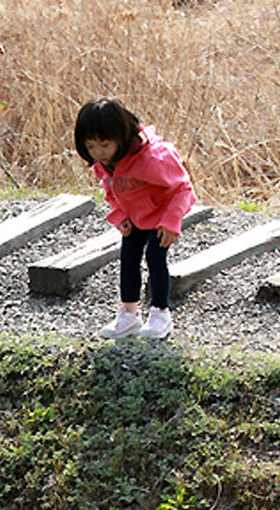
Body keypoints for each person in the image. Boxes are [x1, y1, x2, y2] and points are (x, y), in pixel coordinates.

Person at [74, 98, 195, 340]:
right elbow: (110, 191)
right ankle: (129, 315)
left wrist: (171, 221)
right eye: (91, 147)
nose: (98, 153)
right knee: (128, 258)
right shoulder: (105, 163)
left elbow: (184, 190)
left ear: (122, 136)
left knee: (155, 257)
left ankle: (161, 313)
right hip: (135, 217)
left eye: (104, 145)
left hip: (161, 215)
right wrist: (119, 216)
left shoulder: (154, 159)